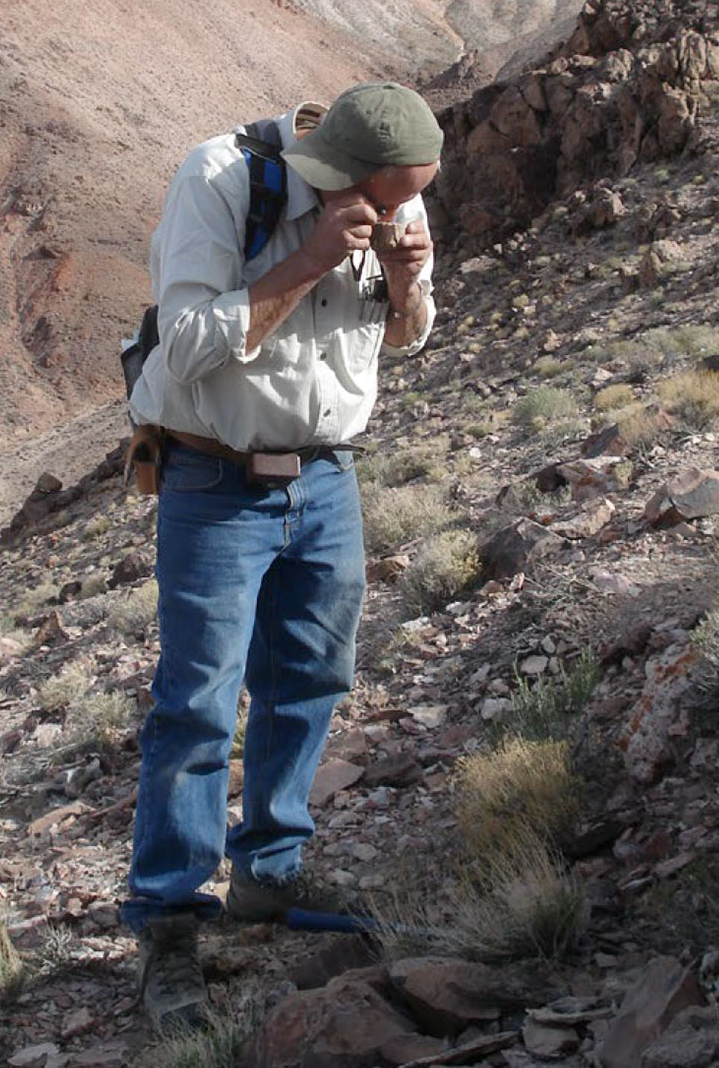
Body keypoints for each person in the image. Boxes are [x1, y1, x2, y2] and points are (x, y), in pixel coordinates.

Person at [121, 81, 443, 1029]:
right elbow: (180, 349)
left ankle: (269, 870)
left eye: (409, 199)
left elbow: (409, 337)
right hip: (215, 483)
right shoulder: (221, 180)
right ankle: (169, 916)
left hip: (328, 476)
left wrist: (409, 278)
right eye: (387, 200)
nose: (397, 211)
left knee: (310, 674)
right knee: (197, 701)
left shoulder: (398, 196)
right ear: (340, 172)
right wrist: (306, 259)